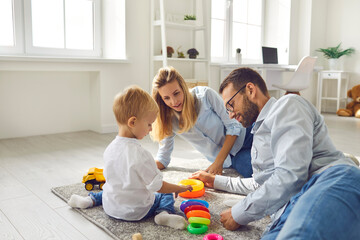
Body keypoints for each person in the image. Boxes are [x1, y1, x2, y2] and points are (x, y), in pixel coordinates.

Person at [191, 67, 360, 239]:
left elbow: (291, 176)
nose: (231, 115)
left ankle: (345, 160)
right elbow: (262, 185)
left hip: (325, 180)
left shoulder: (288, 104)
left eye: (231, 105)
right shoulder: (258, 133)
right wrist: (216, 181)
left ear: (250, 90)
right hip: (286, 209)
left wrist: (240, 212)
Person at [68, 86, 192, 230]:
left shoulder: (110, 149)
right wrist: (179, 188)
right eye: (149, 124)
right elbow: (159, 186)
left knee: (111, 189)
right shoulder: (141, 155)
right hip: (136, 211)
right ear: (132, 122)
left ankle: (87, 201)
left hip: (111, 207)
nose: (151, 129)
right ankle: (163, 215)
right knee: (166, 196)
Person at [152, 66, 253, 177]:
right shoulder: (169, 121)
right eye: (166, 98)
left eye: (176, 93)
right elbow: (163, 158)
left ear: (183, 87)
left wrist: (218, 162)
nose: (174, 101)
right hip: (233, 159)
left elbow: (233, 126)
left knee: (272, 141)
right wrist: (140, 167)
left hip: (246, 135)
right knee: (254, 171)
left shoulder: (205, 95)